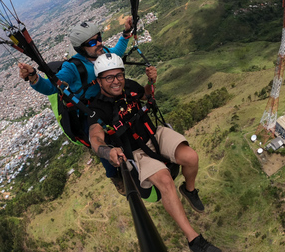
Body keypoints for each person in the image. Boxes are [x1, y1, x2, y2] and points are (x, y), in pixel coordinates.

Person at [87, 53, 221, 252]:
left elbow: (146, 94)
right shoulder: (97, 108)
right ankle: (194, 240)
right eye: (109, 77)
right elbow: (95, 137)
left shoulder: (129, 86)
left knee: (191, 157)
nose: (116, 81)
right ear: (99, 81)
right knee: (165, 180)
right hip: (136, 153)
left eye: (119, 75)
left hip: (153, 135)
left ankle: (189, 190)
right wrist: (108, 152)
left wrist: (151, 82)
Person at [18, 18, 134, 195]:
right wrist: (33, 76)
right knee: (100, 143)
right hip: (89, 111)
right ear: (81, 48)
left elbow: (116, 52)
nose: (99, 43)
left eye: (99, 38)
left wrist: (126, 34)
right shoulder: (73, 68)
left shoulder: (102, 54)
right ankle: (114, 176)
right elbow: (51, 86)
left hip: (108, 102)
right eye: (93, 42)